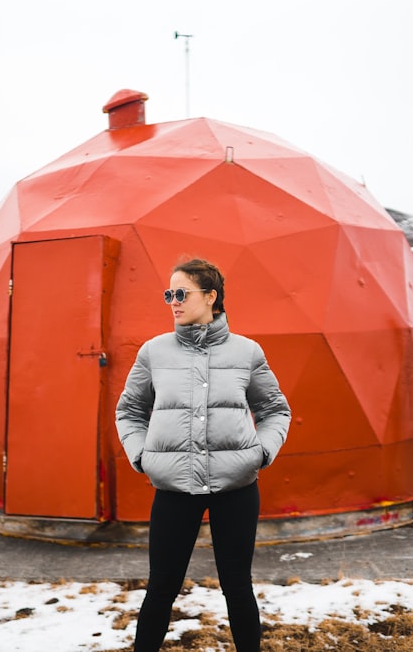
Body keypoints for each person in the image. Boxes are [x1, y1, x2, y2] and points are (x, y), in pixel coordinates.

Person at [115, 258, 292, 652]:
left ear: (211, 296)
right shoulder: (153, 352)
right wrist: (142, 456)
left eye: (181, 293)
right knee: (161, 587)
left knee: (237, 586)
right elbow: (128, 410)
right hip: (174, 487)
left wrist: (261, 452)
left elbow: (275, 409)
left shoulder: (247, 352)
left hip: (237, 486)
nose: (173, 302)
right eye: (168, 294)